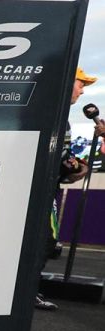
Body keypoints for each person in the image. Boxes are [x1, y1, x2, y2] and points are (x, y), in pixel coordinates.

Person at [35, 67, 104, 310]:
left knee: (43, 240)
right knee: (44, 240)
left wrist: (74, 167)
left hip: (41, 188)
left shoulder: (50, 111)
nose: (83, 90)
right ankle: (26, 291)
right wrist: (76, 167)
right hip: (41, 192)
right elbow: (59, 158)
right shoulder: (54, 114)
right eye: (80, 84)